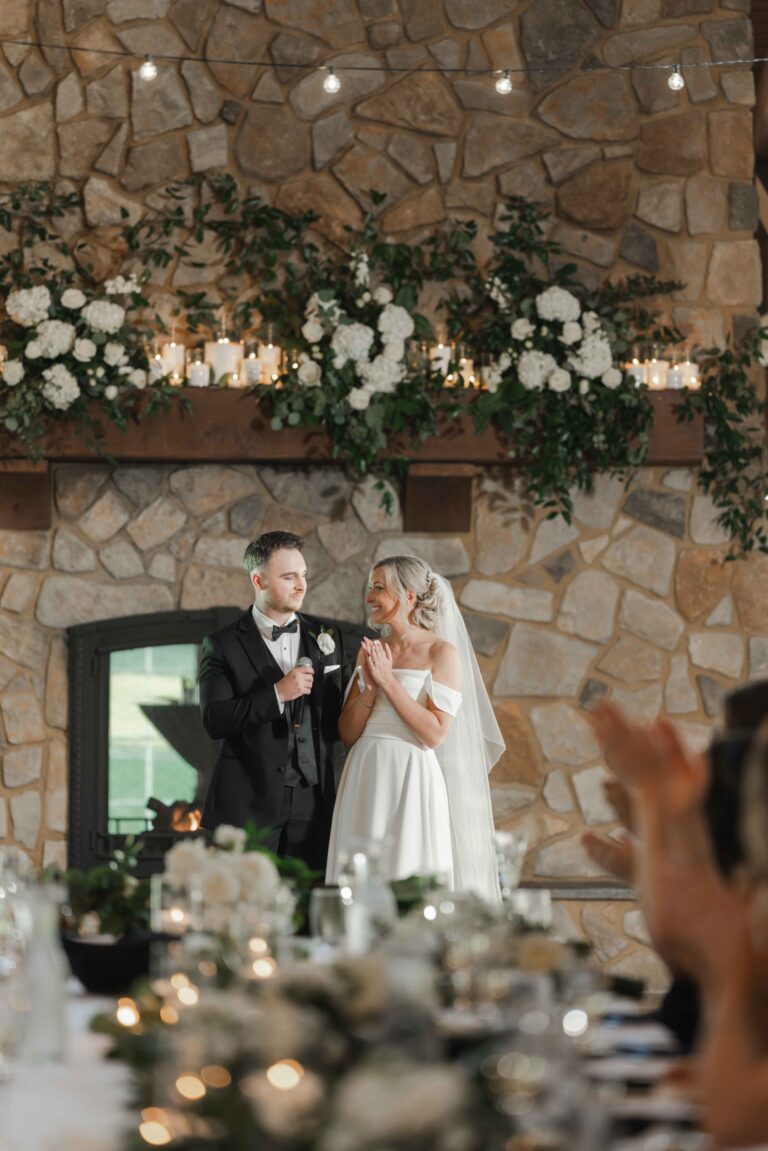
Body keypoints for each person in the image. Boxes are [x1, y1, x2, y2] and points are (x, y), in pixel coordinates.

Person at [325, 555, 504, 903]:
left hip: (411, 776)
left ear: (408, 596)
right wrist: (371, 686)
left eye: (379, 588)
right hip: (365, 772)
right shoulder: (372, 653)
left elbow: (435, 733)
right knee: (360, 884)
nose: (369, 597)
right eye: (370, 587)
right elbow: (348, 734)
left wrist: (388, 682)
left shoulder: (441, 653)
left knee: (407, 875)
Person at [198, 531, 353, 871]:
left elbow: (339, 715)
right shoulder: (222, 644)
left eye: (304, 575)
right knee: (246, 907)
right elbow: (214, 719)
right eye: (289, 577)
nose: (301, 585)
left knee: (308, 902)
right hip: (248, 801)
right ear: (258, 580)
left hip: (315, 800)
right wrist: (278, 694)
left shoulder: (327, 637)